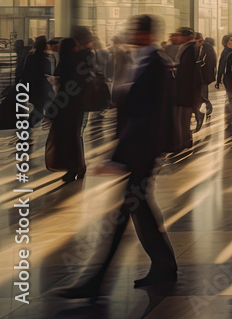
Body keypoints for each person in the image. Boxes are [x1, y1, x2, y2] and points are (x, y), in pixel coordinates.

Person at [55, 15, 178, 299]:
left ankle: (97, 281)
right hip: (140, 150)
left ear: (147, 34)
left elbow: (146, 115)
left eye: (136, 30)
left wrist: (118, 157)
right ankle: (163, 266)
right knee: (137, 209)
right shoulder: (144, 60)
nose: (131, 34)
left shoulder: (155, 63)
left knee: (128, 212)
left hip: (143, 151)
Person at [46, 30, 94, 182]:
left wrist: (52, 111)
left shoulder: (67, 62)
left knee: (67, 138)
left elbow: (62, 89)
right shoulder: (81, 60)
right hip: (78, 106)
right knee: (75, 136)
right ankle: (78, 166)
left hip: (65, 107)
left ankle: (73, 168)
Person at [171, 27, 199, 149]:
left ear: (186, 37)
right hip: (185, 89)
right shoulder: (187, 48)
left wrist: (176, 69)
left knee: (183, 118)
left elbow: (187, 71)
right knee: (183, 118)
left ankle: (184, 142)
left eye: (178, 35)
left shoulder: (190, 49)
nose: (176, 37)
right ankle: (184, 141)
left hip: (185, 90)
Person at [22, 36, 53, 128]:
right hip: (43, 89)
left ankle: (26, 129)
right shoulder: (47, 60)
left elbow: (25, 74)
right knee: (40, 111)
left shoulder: (30, 58)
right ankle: (26, 129)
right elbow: (49, 75)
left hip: (32, 88)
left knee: (38, 109)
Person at [193, 32, 216, 132]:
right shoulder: (195, 47)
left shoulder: (208, 48)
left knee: (203, 94)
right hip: (197, 76)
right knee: (200, 94)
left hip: (204, 76)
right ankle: (207, 107)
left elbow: (210, 62)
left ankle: (208, 108)